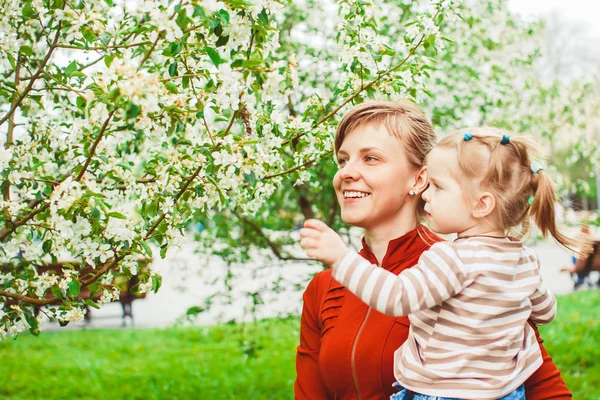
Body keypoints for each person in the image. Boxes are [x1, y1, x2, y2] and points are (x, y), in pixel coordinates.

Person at [294, 101, 573, 399]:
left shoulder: (471, 269)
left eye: (371, 158)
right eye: (342, 160)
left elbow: (543, 388)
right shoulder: (323, 288)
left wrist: (341, 259)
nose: (347, 172)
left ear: (419, 179)